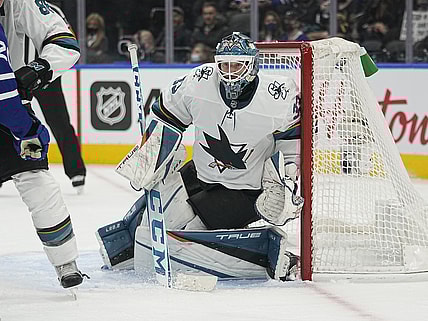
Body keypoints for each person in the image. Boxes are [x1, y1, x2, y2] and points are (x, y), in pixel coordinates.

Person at [97, 32, 304, 281]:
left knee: (182, 239)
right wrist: (151, 157)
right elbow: (167, 114)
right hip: (198, 175)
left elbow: (291, 142)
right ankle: (128, 247)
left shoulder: (276, 95)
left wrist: (288, 179)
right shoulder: (200, 80)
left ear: (252, 65)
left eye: (236, 65)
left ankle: (267, 260)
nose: (229, 72)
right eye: (224, 64)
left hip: (243, 193)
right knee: (149, 229)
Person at [0, 0, 86, 290]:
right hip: (10, 107)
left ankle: (65, 261)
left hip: (11, 106)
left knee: (38, 182)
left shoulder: (24, 5)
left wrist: (38, 68)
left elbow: (66, 45)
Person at [29, 1, 86, 194]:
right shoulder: (11, 8)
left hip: (45, 75)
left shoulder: (52, 10)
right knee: (7, 123)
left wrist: (49, 67)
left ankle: (76, 171)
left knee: (60, 122)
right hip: (16, 74)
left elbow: (67, 41)